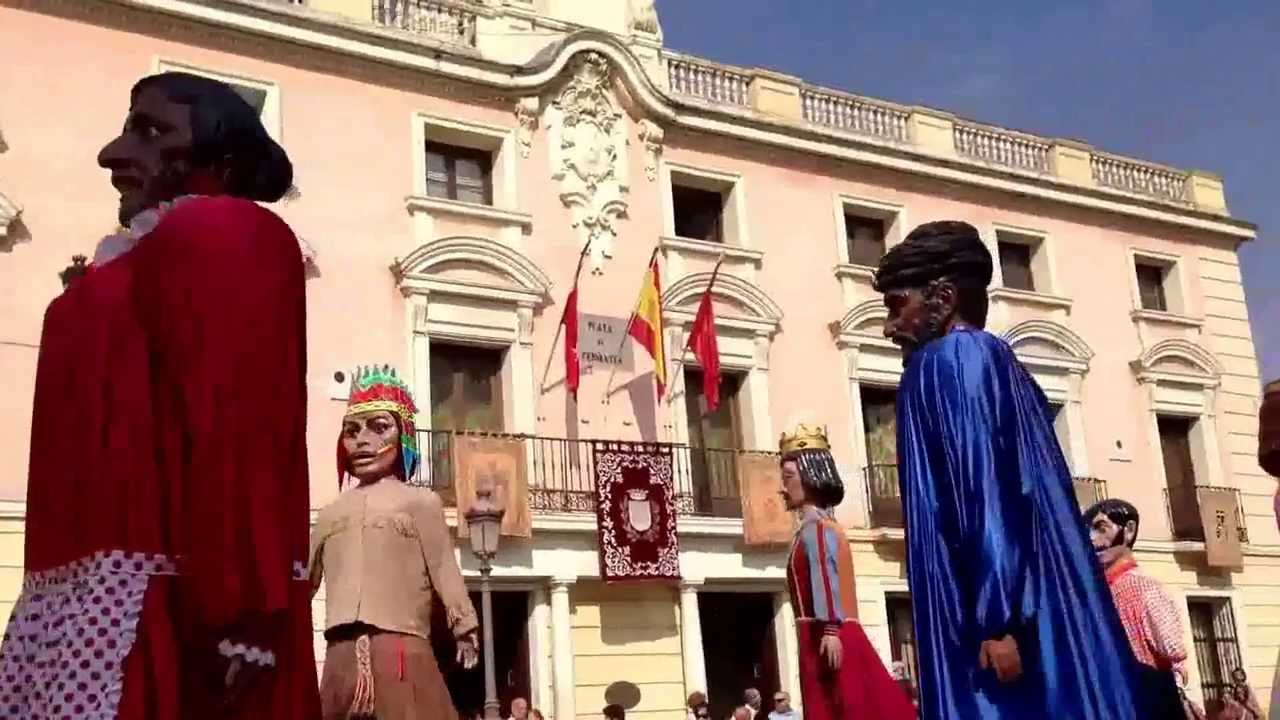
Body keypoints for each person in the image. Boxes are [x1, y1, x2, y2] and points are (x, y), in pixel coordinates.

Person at [0, 72, 318, 717]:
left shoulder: (225, 230)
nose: (112, 154)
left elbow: (242, 423)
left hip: (171, 619)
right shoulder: (131, 258)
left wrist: (241, 604)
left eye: (150, 132)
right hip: (85, 614)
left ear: (222, 160)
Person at [875, 220, 1145, 720]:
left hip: (992, 617)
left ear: (943, 297)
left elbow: (986, 493)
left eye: (897, 305)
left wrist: (994, 620)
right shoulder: (989, 359)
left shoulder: (953, 359)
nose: (890, 326)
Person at [310, 365, 481, 718]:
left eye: (379, 427)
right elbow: (301, 584)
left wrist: (464, 624)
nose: (362, 441)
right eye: (352, 431)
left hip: (402, 651)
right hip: (340, 655)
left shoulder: (421, 503)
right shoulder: (329, 513)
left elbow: (444, 568)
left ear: (403, 436)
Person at [779, 423, 917, 720]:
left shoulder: (818, 529)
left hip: (824, 633)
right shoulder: (814, 529)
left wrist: (830, 628)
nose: (783, 486)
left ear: (810, 477)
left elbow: (825, 576)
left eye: (788, 477)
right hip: (819, 633)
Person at [1083, 499, 1190, 719]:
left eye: (1101, 529)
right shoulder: (1099, 593)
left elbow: (1173, 647)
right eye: (1088, 531)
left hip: (1144, 696)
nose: (1093, 539)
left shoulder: (1144, 587)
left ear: (1129, 531)